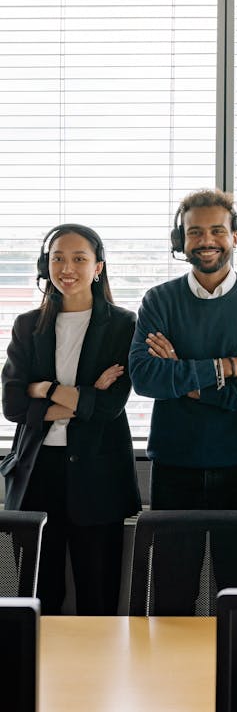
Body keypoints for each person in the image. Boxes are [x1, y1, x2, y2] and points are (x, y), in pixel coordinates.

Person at [128, 188, 237, 610]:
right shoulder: (159, 300)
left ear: (235, 236)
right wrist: (228, 367)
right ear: (181, 240)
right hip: (176, 461)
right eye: (194, 232)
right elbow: (145, 377)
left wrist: (184, 376)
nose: (206, 240)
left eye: (217, 230)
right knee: (172, 588)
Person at [1, 223, 141, 614]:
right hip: (37, 474)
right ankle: (35, 675)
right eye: (58, 257)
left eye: (80, 258)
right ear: (45, 265)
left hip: (98, 478)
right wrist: (80, 397)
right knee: (36, 597)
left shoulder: (123, 325)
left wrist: (41, 389)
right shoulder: (28, 325)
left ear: (98, 267)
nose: (67, 267)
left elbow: (109, 407)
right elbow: (12, 406)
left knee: (97, 596)